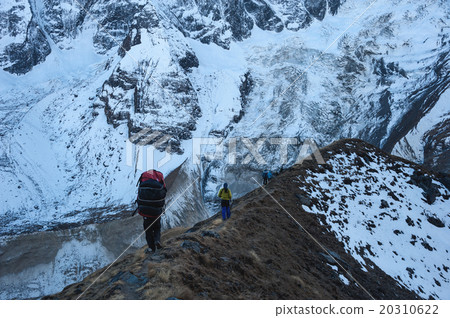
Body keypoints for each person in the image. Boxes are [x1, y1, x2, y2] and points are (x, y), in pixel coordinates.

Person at [136, 169, 167, 253]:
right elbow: (164, 192)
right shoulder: (159, 178)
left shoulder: (144, 179)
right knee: (157, 227)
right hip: (156, 212)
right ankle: (157, 240)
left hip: (145, 212)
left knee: (148, 230)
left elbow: (139, 196)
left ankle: (151, 248)